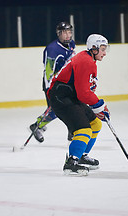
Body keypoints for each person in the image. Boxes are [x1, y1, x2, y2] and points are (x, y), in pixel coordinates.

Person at [47, 34, 110, 175]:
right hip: (61, 98)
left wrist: (98, 107)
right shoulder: (86, 61)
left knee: (95, 124)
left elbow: (84, 90)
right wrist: (100, 105)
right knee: (84, 129)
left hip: (70, 96)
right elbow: (83, 93)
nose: (105, 53)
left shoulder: (87, 58)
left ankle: (81, 155)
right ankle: (71, 162)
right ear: (94, 49)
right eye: (103, 49)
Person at [29, 22, 76, 143]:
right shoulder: (52, 49)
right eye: (64, 32)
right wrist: (51, 88)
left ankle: (73, 130)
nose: (67, 35)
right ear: (59, 34)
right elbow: (48, 72)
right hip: (53, 84)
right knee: (55, 109)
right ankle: (37, 126)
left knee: (74, 105)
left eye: (69, 32)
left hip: (66, 83)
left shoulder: (71, 44)